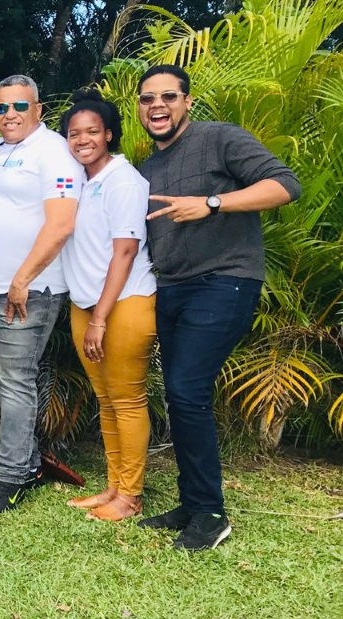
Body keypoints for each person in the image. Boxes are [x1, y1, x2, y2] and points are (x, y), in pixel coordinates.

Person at [134, 64, 300, 550]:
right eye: (147, 98)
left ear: (187, 101)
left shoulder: (219, 138)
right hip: (172, 288)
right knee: (180, 395)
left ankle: (210, 513)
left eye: (168, 96)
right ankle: (193, 503)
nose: (157, 106)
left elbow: (286, 185)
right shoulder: (146, 169)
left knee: (187, 390)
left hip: (224, 280)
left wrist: (211, 203)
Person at [0, 74, 84, 514]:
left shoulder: (54, 151)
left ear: (38, 110)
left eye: (19, 106)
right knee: (5, 378)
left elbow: (62, 224)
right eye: (1, 108)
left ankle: (12, 477)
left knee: (16, 380)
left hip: (29, 291)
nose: (9, 115)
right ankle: (29, 464)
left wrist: (22, 279)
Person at [58, 90, 156, 522]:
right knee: (107, 399)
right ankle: (114, 486)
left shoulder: (123, 180)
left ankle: (130, 496)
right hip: (86, 304)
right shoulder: (82, 181)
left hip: (124, 304)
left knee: (128, 399)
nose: (82, 140)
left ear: (109, 134)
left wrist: (100, 318)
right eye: (74, 133)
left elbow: (125, 252)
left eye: (92, 131)